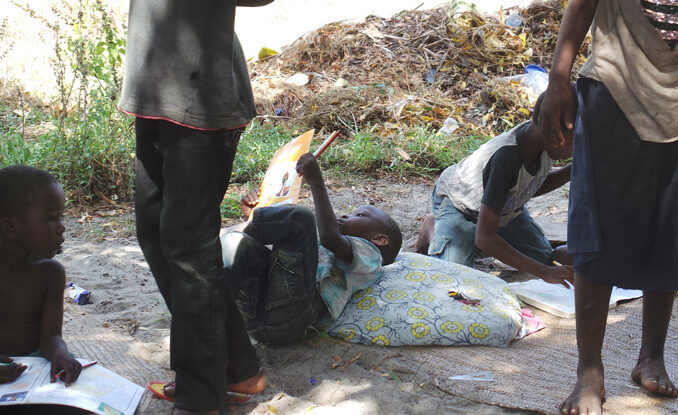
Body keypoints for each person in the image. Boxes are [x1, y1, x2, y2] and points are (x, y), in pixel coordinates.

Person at [538, 1, 678, 414]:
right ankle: (589, 369)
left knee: (672, 227)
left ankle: (651, 356)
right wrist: (558, 78)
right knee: (600, 231)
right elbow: (582, 5)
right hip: (616, 92)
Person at [117, 1, 274, 413]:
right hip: (152, 89)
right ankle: (237, 366)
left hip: (201, 97)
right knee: (155, 234)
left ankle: (201, 394)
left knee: (188, 247)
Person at [219, 152, 402, 344]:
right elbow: (273, 263)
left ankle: (215, 235)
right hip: (254, 313)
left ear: (379, 239)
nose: (345, 216)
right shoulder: (317, 249)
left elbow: (330, 237)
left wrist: (316, 181)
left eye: (359, 215)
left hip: (290, 320)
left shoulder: (371, 256)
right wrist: (257, 214)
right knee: (236, 242)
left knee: (301, 219)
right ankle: (209, 319)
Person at [415, 93, 574, 287]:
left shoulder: (542, 141)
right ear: (554, 132)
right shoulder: (506, 158)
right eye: (576, 141)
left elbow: (531, 185)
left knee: (544, 259)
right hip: (459, 206)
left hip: (504, 210)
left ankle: (472, 239)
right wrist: (542, 272)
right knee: (455, 278)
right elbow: (485, 237)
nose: (578, 148)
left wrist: (573, 169)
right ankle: (433, 228)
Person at [0, 166, 81, 387]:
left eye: (61, 216)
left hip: (34, 367)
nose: (62, 227)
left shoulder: (51, 273)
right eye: (52, 218)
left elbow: (51, 337)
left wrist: (61, 353)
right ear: (10, 227)